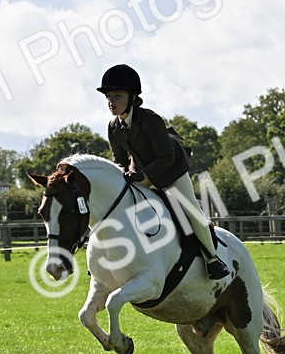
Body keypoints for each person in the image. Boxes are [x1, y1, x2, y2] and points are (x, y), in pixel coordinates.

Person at [98, 64, 230, 279]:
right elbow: (119, 160)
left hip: (171, 170)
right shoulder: (114, 126)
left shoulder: (150, 120)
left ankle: (213, 259)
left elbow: (166, 157)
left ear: (132, 97)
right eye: (109, 97)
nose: (111, 102)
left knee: (189, 209)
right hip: (141, 171)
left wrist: (142, 176)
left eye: (117, 96)